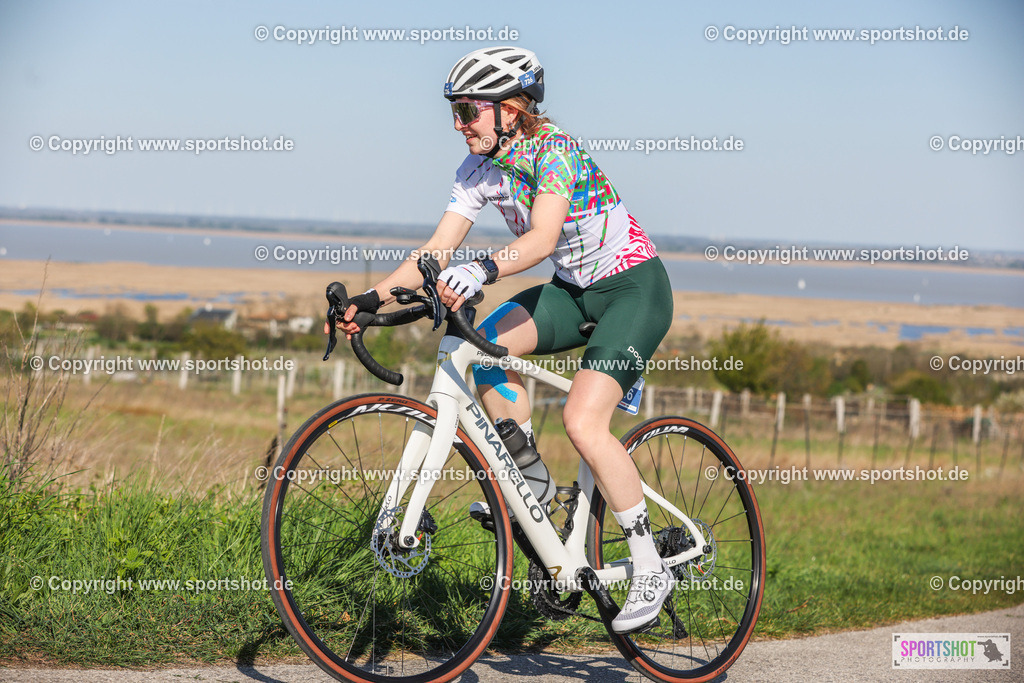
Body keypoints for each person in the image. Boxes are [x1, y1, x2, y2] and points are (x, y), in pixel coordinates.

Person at [335, 46, 675, 634]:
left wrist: (484, 270)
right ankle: (532, 486)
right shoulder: (476, 170)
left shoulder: (555, 151)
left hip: (631, 290)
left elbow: (542, 239)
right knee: (481, 348)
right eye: (455, 113)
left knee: (582, 421)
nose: (460, 124)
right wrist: (371, 300)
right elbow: (433, 253)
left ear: (511, 109)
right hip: (572, 291)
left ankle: (649, 565)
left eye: (469, 110)